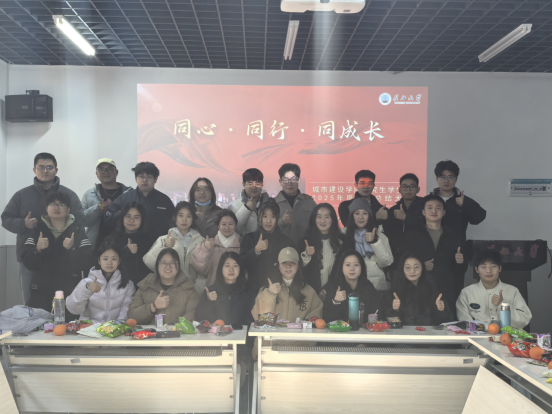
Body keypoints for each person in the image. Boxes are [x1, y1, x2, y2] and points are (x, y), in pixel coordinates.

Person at [2, 153, 84, 305]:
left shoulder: (69, 194)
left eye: (49, 167)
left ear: (56, 170)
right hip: (30, 255)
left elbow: (79, 219)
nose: (45, 171)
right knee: (31, 303)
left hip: (63, 257)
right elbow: (5, 219)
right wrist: (23, 224)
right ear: (34, 170)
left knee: (67, 302)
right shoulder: (22, 195)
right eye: (41, 167)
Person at [20, 192, 93, 317]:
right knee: (41, 327)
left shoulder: (77, 230)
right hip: (41, 292)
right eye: (53, 204)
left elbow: (87, 262)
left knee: (68, 328)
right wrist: (37, 249)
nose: (56, 207)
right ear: (47, 208)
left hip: (70, 293)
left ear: (68, 209)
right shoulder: (37, 230)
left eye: (61, 204)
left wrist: (72, 249)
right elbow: (28, 263)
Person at [251, 247, 323, 357]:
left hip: (299, 350)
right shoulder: (267, 289)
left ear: (298, 266)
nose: (288, 266)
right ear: (278, 265)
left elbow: (315, 320)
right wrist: (270, 294)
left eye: (292, 263)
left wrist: (297, 338)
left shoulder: (309, 291)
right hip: (270, 349)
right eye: (284, 263)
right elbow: (260, 319)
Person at [402, 194, 467, 316]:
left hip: (447, 286)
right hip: (420, 285)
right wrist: (421, 265)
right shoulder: (413, 234)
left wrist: (461, 262)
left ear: (444, 212)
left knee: (446, 320)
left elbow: (460, 270)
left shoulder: (453, 235)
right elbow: (404, 259)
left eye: (438, 208)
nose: (434, 211)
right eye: (430, 208)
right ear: (423, 212)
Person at [456, 250, 531, 329]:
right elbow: (465, 322)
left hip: (506, 336)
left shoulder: (512, 291)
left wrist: (502, 305)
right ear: (477, 269)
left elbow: (524, 320)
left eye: (493, 266)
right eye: (483, 267)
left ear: (500, 268)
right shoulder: (467, 293)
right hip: (477, 336)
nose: (488, 271)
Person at [66, 241, 136, 324]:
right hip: (89, 329)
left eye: (114, 259)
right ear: (99, 261)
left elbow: (125, 313)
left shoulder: (128, 285)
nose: (109, 262)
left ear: (119, 261)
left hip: (114, 330)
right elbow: (73, 309)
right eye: (105, 259)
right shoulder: (87, 282)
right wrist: (87, 289)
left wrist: (114, 328)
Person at [143, 201, 206, 293]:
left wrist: (198, 289)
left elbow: (204, 271)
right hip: (170, 289)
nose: (184, 219)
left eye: (188, 216)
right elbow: (149, 261)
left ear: (192, 218)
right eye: (181, 215)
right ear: (174, 217)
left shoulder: (200, 241)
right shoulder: (164, 239)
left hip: (193, 290)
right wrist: (163, 246)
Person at [102, 161, 175, 240]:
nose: (145, 180)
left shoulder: (164, 200)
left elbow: (174, 223)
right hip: (129, 244)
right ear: (136, 178)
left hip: (158, 244)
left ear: (155, 179)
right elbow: (108, 218)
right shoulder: (125, 198)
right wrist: (124, 213)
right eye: (141, 177)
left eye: (149, 177)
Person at [128, 247, 200, 325]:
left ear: (178, 265)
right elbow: (132, 317)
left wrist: (175, 329)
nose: (168, 266)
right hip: (149, 332)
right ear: (157, 265)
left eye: (172, 263)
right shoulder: (145, 286)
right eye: (164, 263)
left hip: (177, 332)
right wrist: (153, 306)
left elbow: (192, 316)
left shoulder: (189, 289)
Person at [240, 201, 295, 294]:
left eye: (273, 217)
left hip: (280, 291)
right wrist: (256, 250)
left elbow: (294, 266)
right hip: (254, 292)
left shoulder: (286, 242)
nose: (268, 221)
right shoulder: (249, 238)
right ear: (260, 217)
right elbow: (241, 264)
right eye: (265, 216)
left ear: (278, 218)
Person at [386, 252, 453, 326]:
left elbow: (447, 322)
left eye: (416, 267)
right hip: (404, 332)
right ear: (402, 269)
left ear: (422, 268)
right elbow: (387, 324)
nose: (412, 271)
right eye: (408, 268)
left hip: (428, 332)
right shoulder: (394, 292)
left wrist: (442, 311)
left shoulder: (432, 290)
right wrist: (395, 310)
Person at [341, 198, 394, 292]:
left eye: (365, 213)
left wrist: (375, 242)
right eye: (357, 213)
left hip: (376, 288)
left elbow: (386, 262)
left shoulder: (379, 235)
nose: (361, 217)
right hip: (351, 287)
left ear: (369, 216)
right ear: (351, 216)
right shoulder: (343, 235)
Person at [430, 160, 486, 244]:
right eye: (442, 177)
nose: (446, 181)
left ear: (456, 179)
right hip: (433, 247)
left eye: (450, 177)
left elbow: (479, 218)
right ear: (437, 179)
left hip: (457, 249)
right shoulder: (428, 201)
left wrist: (466, 203)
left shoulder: (463, 200)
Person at [81, 158, 130, 248]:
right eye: (101, 169)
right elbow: (81, 220)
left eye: (110, 169)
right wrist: (97, 210)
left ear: (116, 172)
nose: (106, 172)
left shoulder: (128, 194)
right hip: (96, 246)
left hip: (124, 244)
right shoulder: (89, 194)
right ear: (96, 174)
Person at [195, 252, 253, 326]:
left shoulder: (248, 292)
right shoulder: (210, 291)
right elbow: (199, 319)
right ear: (221, 268)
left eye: (235, 266)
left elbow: (252, 320)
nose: (231, 270)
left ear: (240, 269)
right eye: (227, 266)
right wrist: (208, 301)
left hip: (240, 333)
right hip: (217, 333)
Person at [323, 250, 381, 324]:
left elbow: (378, 314)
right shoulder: (334, 287)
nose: (352, 269)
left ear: (362, 267)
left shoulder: (368, 286)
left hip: (364, 330)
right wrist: (336, 301)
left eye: (356, 265)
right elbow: (327, 319)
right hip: (342, 331)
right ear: (341, 267)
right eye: (348, 265)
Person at [299, 203, 343, 300]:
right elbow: (298, 270)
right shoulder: (305, 242)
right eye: (319, 217)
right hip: (310, 295)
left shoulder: (341, 242)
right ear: (314, 219)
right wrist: (306, 255)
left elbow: (341, 271)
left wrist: (326, 290)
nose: (323, 221)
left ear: (333, 219)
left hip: (335, 293)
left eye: (327, 217)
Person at [103, 202, 153, 286]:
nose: (131, 220)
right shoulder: (111, 239)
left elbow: (151, 269)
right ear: (122, 217)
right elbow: (105, 263)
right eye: (128, 216)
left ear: (142, 220)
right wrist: (125, 250)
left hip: (141, 287)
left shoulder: (148, 241)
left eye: (136, 218)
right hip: (116, 286)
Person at [191, 210, 241, 287]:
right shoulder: (209, 244)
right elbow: (200, 269)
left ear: (236, 225)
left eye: (230, 224)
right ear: (218, 226)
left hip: (237, 289)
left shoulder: (242, 244)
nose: (227, 227)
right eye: (223, 224)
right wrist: (205, 249)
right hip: (214, 288)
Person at [383, 173, 424, 263]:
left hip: (419, 256)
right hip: (397, 258)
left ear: (418, 189)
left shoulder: (425, 208)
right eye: (405, 186)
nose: (408, 189)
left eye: (412, 186)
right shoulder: (393, 210)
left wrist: (406, 218)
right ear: (399, 190)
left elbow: (426, 228)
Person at [274, 163, 317, 245]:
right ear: (280, 181)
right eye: (286, 179)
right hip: (279, 250)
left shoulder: (309, 203)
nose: (289, 183)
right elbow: (265, 229)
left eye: (293, 179)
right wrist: (282, 222)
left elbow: (318, 226)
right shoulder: (273, 204)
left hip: (306, 249)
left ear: (299, 180)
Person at [229, 168, 271, 235]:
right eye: (250, 183)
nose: (254, 187)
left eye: (257, 183)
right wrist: (246, 209)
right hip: (243, 241)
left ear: (262, 184)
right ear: (243, 184)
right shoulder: (234, 206)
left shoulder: (270, 204)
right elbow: (233, 230)